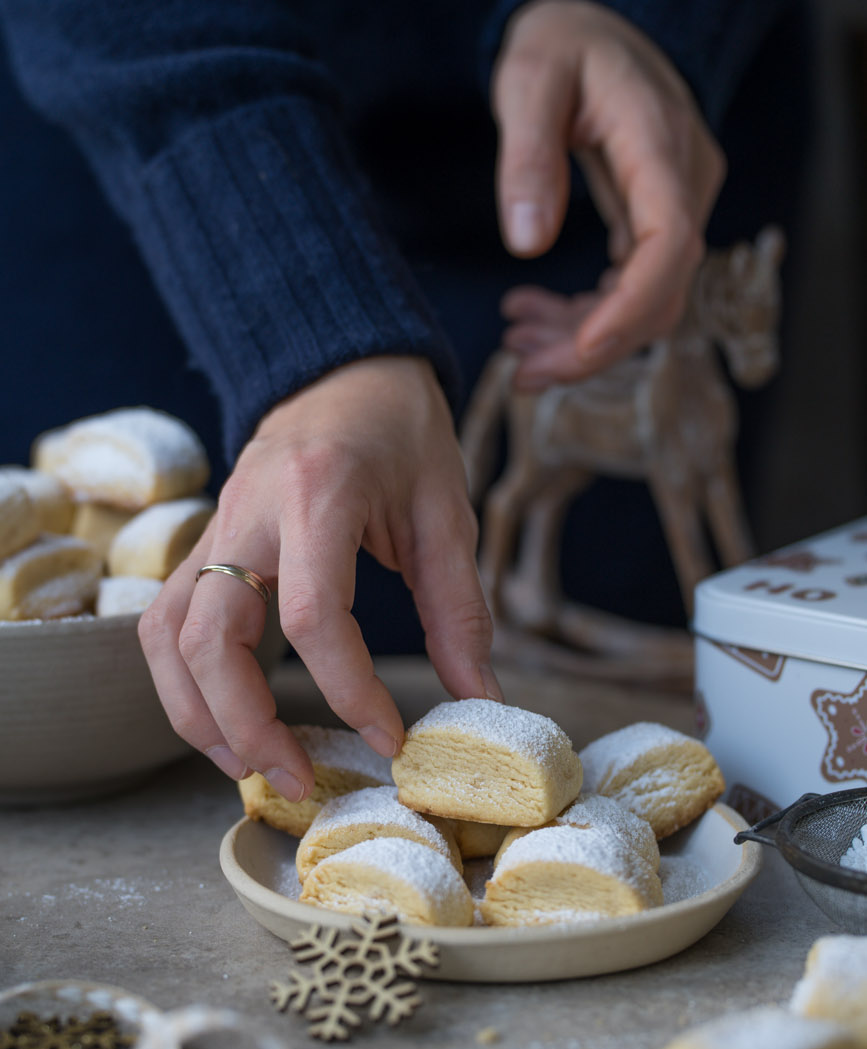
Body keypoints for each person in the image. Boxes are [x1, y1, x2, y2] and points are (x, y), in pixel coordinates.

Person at [0, 0, 808, 801]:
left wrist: (648, 19)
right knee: (230, 643)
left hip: (607, 144)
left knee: (609, 685)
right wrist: (302, 330)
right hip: (188, 165)